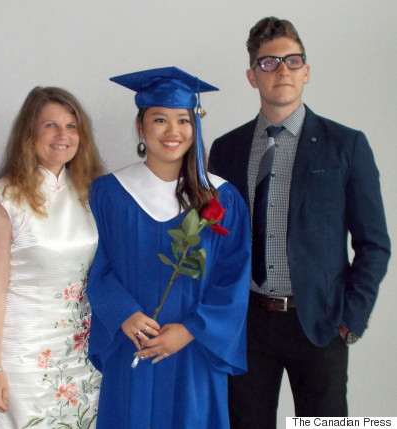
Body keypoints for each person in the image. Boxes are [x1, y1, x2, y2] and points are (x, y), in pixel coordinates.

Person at [209, 17, 391, 428]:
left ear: (306, 71)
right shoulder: (227, 149)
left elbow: (374, 243)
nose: (283, 70)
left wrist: (351, 320)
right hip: (249, 324)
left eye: (293, 60)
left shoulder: (346, 145)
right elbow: (218, 238)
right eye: (269, 62)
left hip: (320, 324)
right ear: (252, 75)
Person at [87, 67, 252, 429]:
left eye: (183, 120)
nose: (173, 131)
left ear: (195, 127)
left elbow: (233, 278)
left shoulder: (220, 197)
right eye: (160, 119)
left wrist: (191, 329)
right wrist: (124, 314)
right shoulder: (109, 193)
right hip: (134, 342)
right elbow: (95, 265)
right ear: (141, 126)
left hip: (194, 349)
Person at [0, 86, 104, 428]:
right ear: (29, 133)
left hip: (82, 352)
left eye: (71, 126)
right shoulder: (5, 197)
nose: (62, 135)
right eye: (50, 125)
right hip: (22, 354)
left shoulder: (93, 193)